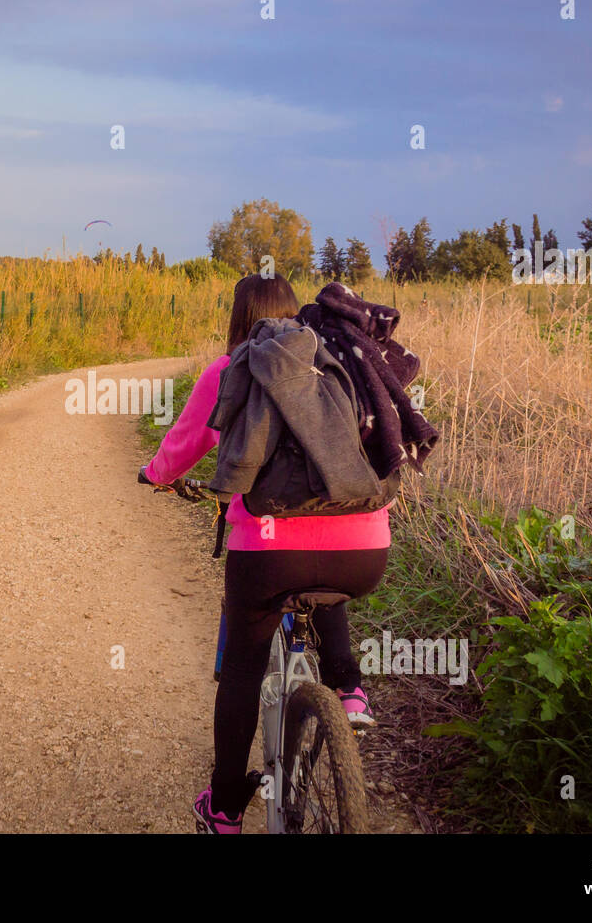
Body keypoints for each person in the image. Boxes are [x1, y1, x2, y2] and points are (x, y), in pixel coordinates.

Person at [142, 274, 398, 834]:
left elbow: (184, 444)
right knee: (326, 559)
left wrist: (154, 474)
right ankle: (350, 690)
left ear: (240, 318)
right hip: (365, 551)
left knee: (240, 671)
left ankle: (226, 809)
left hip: (267, 553)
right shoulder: (336, 363)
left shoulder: (234, 366)